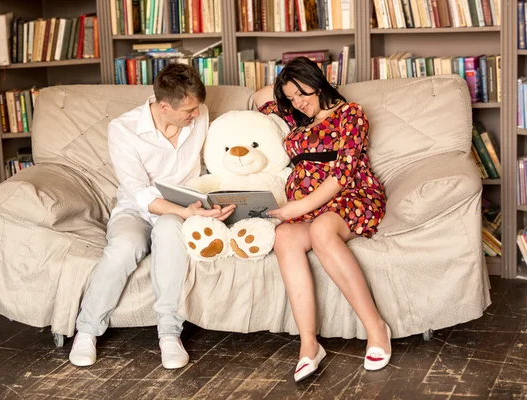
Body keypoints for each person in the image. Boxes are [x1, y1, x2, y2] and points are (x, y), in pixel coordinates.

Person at [69, 63, 235, 369]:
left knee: (170, 235)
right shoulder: (123, 129)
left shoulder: (200, 114)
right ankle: (87, 330)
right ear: (163, 106)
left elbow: (213, 165)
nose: (195, 116)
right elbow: (139, 191)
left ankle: (169, 334)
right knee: (124, 247)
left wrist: (212, 203)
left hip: (185, 207)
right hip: (136, 208)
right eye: (188, 111)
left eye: (197, 109)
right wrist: (183, 211)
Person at [253, 56, 390, 382]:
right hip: (310, 207)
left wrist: (295, 209)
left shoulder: (350, 114)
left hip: (352, 196)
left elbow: (343, 175)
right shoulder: (296, 119)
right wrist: (286, 88)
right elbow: (259, 98)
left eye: (303, 92)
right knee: (285, 237)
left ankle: (376, 329)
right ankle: (309, 345)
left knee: (323, 229)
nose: (298, 102)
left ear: (319, 82)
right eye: (290, 97)